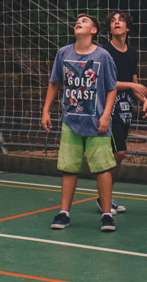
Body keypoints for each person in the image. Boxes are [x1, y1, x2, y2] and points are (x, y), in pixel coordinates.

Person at [41, 14, 119, 232]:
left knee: (103, 169)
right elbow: (54, 83)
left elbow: (112, 88)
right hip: (71, 120)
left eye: (85, 21)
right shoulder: (63, 53)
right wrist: (46, 110)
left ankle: (106, 215)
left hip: (97, 122)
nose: (79, 22)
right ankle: (64, 213)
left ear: (94, 30)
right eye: (77, 21)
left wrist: (106, 115)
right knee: (69, 168)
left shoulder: (102, 56)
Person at [102, 10, 147, 215]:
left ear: (127, 28)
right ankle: (103, 196)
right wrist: (131, 85)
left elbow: (134, 82)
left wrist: (144, 100)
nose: (116, 23)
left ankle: (106, 197)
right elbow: (105, 82)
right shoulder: (104, 52)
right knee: (119, 151)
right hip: (108, 108)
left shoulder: (132, 52)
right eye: (113, 21)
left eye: (120, 20)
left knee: (118, 153)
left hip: (125, 109)